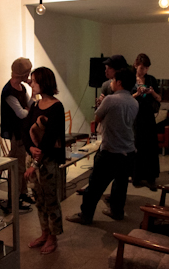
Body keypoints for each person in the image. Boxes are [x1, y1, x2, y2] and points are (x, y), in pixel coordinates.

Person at [67, 68, 139, 224]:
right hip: (129, 150)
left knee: (95, 186)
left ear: (119, 82)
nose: (111, 82)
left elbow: (97, 118)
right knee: (120, 185)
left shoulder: (110, 99)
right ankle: (117, 212)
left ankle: (86, 215)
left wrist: (100, 104)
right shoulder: (134, 102)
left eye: (113, 80)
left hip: (111, 150)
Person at [22, 67, 65, 255]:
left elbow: (50, 138)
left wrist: (35, 164)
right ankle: (44, 233)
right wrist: (30, 148)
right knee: (38, 200)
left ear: (43, 82)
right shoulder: (35, 105)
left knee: (51, 200)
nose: (32, 84)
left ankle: (53, 237)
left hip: (47, 161)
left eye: (34, 81)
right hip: (34, 157)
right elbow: (25, 130)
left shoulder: (57, 107)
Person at [0, 57, 36, 210]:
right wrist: (28, 110)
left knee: (22, 163)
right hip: (16, 133)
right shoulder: (8, 91)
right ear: (22, 74)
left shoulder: (21, 88)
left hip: (23, 131)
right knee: (17, 166)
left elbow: (30, 105)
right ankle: (15, 199)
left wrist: (33, 92)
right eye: (27, 73)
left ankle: (23, 193)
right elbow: (21, 113)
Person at [132, 53, 161, 191]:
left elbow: (159, 98)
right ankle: (136, 176)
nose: (144, 71)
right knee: (136, 145)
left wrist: (152, 92)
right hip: (135, 116)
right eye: (142, 68)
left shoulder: (151, 79)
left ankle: (151, 178)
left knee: (150, 146)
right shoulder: (130, 80)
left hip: (148, 116)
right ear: (136, 65)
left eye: (146, 68)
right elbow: (126, 97)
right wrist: (137, 94)